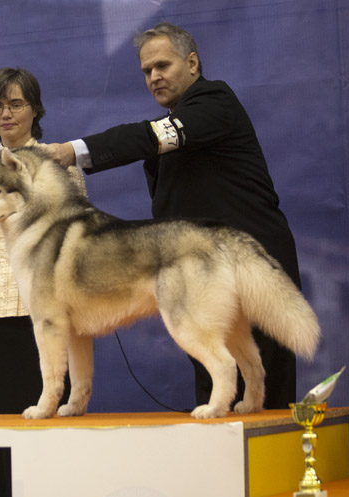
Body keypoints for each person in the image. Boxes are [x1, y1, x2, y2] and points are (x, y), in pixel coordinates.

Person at [44, 22, 300, 410]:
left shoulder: (214, 101)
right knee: (214, 381)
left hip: (253, 259)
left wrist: (73, 150)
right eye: (147, 71)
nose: (154, 77)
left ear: (192, 63)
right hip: (201, 269)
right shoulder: (174, 121)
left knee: (269, 394)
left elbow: (147, 136)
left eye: (162, 65)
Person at [0, 67, 86, 415]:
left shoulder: (62, 164)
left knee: (55, 416)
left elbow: (78, 243)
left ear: (35, 110)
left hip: (52, 308)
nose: (6, 114)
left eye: (15, 104)